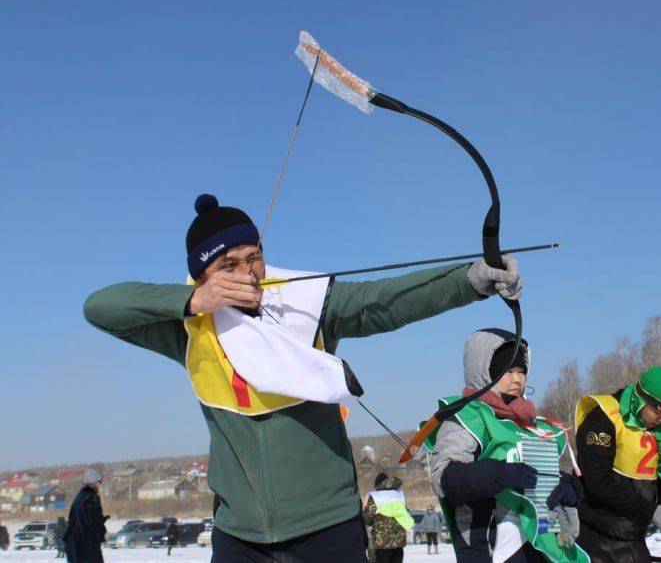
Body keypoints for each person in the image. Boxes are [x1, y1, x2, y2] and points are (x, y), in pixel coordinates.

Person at [83, 194, 522, 562]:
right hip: (239, 538)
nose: (247, 274)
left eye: (254, 257)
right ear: (202, 278)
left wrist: (471, 280)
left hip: (327, 529)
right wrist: (193, 300)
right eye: (229, 265)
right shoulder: (190, 329)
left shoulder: (305, 305)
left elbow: (385, 300)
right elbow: (100, 307)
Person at [428, 329, 587, 562]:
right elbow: (444, 478)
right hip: (490, 546)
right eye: (507, 371)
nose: (517, 379)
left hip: (536, 547)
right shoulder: (467, 417)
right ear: (485, 373)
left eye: (521, 371)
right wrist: (499, 473)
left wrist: (568, 487)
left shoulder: (529, 423)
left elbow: (538, 477)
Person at [574, 365, 661, 562]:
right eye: (659, 412)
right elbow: (598, 482)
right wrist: (651, 511)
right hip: (594, 534)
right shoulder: (603, 418)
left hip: (632, 536)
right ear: (642, 400)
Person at [363, 474, 412, 563]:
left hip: (382, 541)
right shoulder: (399, 494)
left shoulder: (375, 496)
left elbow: (367, 517)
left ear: (377, 484)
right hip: (398, 541)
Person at [63, 468, 108, 563]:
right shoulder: (92, 497)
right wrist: (102, 528)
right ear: (94, 482)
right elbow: (94, 520)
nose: (99, 485)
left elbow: (78, 518)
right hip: (86, 542)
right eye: (99, 482)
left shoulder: (80, 497)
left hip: (74, 543)